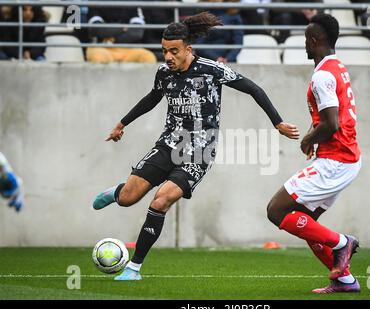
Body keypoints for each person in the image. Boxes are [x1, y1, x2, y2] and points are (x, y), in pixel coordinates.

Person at [92, 12, 300, 281]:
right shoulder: (164, 72)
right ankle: (117, 193)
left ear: (188, 49)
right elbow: (152, 98)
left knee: (161, 200)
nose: (168, 57)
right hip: (168, 144)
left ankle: (134, 268)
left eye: (174, 51)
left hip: (199, 150)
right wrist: (122, 123)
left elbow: (253, 88)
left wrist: (278, 123)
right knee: (128, 199)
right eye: (164, 51)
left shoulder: (212, 70)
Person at [266, 13, 362, 294]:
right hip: (345, 158)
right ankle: (344, 280)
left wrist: (307, 138)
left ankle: (343, 243)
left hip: (336, 158)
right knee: (303, 221)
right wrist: (313, 137)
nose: (305, 45)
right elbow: (329, 116)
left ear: (314, 39)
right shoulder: (336, 67)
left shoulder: (321, 75)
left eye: (307, 39)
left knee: (276, 210)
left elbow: (331, 124)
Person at [86, 0, 157, 63]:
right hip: (102, 47)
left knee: (148, 57)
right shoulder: (96, 2)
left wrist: (112, 39)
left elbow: (137, 33)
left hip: (128, 48)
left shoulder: (132, 3)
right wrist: (123, 28)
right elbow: (96, 29)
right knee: (98, 56)